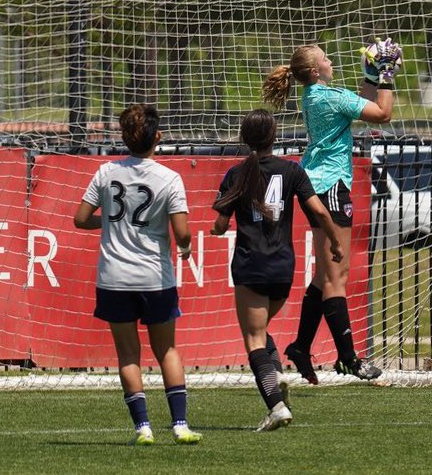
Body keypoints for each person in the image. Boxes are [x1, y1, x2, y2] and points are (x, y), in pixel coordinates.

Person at [261, 38, 399, 383]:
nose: (330, 59)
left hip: (317, 184)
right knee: (337, 277)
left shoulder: (318, 96)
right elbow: (381, 112)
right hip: (332, 186)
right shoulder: (328, 96)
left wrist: (369, 77)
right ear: (314, 70)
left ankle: (300, 346)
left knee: (325, 277)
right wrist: (385, 74)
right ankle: (349, 358)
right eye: (325, 58)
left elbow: (359, 104)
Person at [73, 104, 202, 446]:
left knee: (128, 354)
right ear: (157, 137)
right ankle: (179, 425)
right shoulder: (169, 178)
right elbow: (182, 231)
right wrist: (186, 247)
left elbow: (80, 218)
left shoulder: (105, 172)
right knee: (168, 350)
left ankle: (143, 428)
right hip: (155, 278)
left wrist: (113, 222)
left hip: (113, 277)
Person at [211, 109, 345, 431]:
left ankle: (276, 407)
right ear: (274, 137)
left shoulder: (236, 174)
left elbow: (219, 223)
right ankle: (276, 375)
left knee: (253, 337)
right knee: (261, 330)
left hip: (251, 264)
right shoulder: (292, 171)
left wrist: (218, 228)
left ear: (245, 139)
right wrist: (336, 244)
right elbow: (320, 211)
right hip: (283, 269)